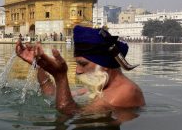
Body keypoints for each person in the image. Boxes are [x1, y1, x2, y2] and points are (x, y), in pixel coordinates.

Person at [15, 25, 145, 116]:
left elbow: (70, 113)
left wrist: (60, 77)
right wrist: (38, 66)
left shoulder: (123, 93)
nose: (77, 71)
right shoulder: (98, 87)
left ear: (104, 64)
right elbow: (52, 95)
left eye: (83, 64)